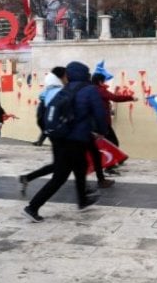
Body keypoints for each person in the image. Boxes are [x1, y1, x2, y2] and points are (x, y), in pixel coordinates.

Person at [22, 61, 107, 222]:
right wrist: (102, 131)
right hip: (77, 139)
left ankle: (82, 201)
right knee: (60, 176)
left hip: (61, 137)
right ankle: (32, 207)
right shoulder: (90, 90)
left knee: (80, 167)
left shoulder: (64, 89)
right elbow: (99, 113)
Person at [19, 68, 67, 194]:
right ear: (61, 78)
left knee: (59, 164)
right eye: (66, 76)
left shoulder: (47, 91)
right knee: (62, 167)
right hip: (60, 133)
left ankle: (28, 178)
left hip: (53, 132)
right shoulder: (58, 92)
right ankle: (33, 205)